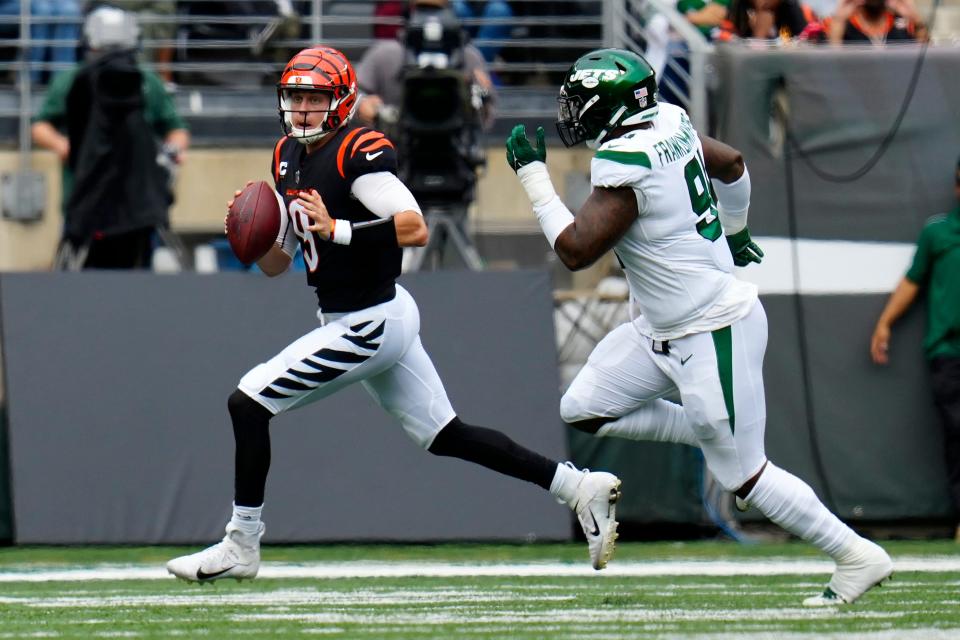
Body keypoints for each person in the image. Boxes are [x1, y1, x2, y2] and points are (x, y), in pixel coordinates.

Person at [165, 45, 622, 583]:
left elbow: (414, 226)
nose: (301, 108)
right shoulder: (287, 155)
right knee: (447, 434)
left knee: (248, 402)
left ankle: (242, 543)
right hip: (366, 316)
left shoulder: (357, 152)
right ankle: (578, 487)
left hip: (367, 321)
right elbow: (278, 263)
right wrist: (252, 238)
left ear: (340, 103)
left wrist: (336, 227)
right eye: (295, 96)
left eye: (313, 98)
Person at [504, 47, 893, 606]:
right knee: (584, 407)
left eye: (581, 103)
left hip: (712, 328)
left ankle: (856, 555)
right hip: (660, 329)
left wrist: (535, 180)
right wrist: (735, 228)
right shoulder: (669, 118)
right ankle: (715, 429)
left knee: (747, 479)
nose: (574, 114)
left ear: (609, 107)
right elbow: (732, 162)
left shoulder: (626, 158)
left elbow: (575, 250)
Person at [31, 5, 189, 269]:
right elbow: (40, 126)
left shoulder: (147, 81)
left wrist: (169, 152)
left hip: (138, 203)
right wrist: (68, 146)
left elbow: (176, 128)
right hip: (85, 199)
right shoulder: (74, 80)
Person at [871, 158, 960, 542]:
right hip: (949, 354)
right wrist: (885, 323)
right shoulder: (938, 233)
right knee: (957, 435)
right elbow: (913, 281)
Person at [356, 0, 495, 130]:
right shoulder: (384, 54)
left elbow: (486, 119)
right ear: (408, 12)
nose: (429, 17)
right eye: (422, 10)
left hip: (455, 147)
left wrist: (484, 98)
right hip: (396, 147)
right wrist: (362, 104)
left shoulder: (467, 57)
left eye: (437, 10)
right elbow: (352, 93)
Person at [824, 0, 928, 45]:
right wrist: (839, 21)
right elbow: (832, 66)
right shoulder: (841, 24)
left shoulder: (904, 22)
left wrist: (917, 21)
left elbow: (926, 62)